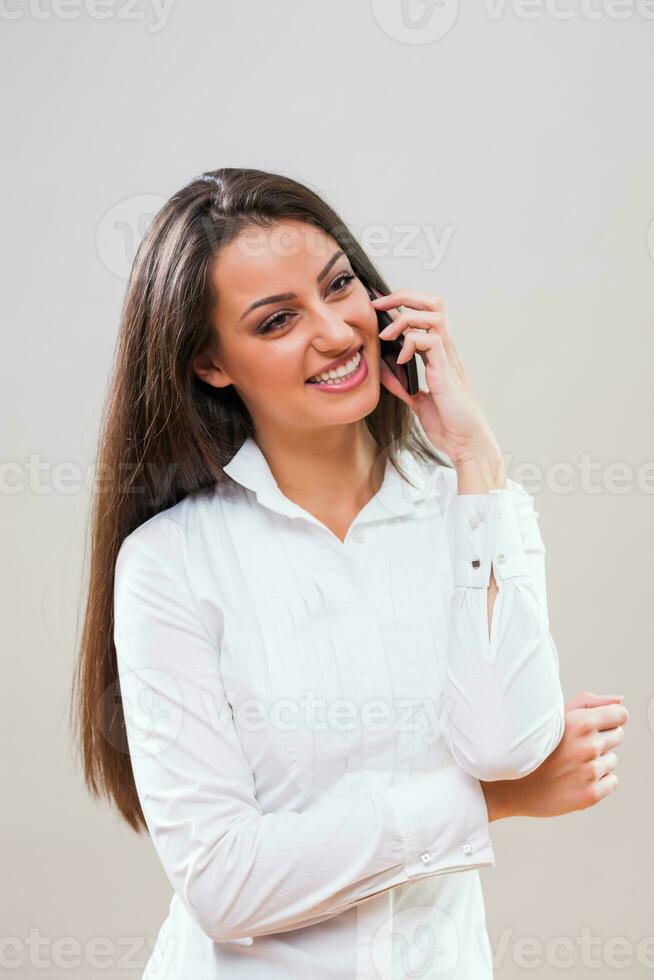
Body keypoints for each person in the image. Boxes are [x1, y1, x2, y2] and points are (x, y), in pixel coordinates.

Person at [71, 167, 629, 979]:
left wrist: (477, 458)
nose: (335, 332)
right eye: (277, 321)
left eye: (340, 286)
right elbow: (224, 885)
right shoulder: (171, 563)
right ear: (210, 365)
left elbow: (509, 743)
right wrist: (486, 806)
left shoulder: (479, 511)